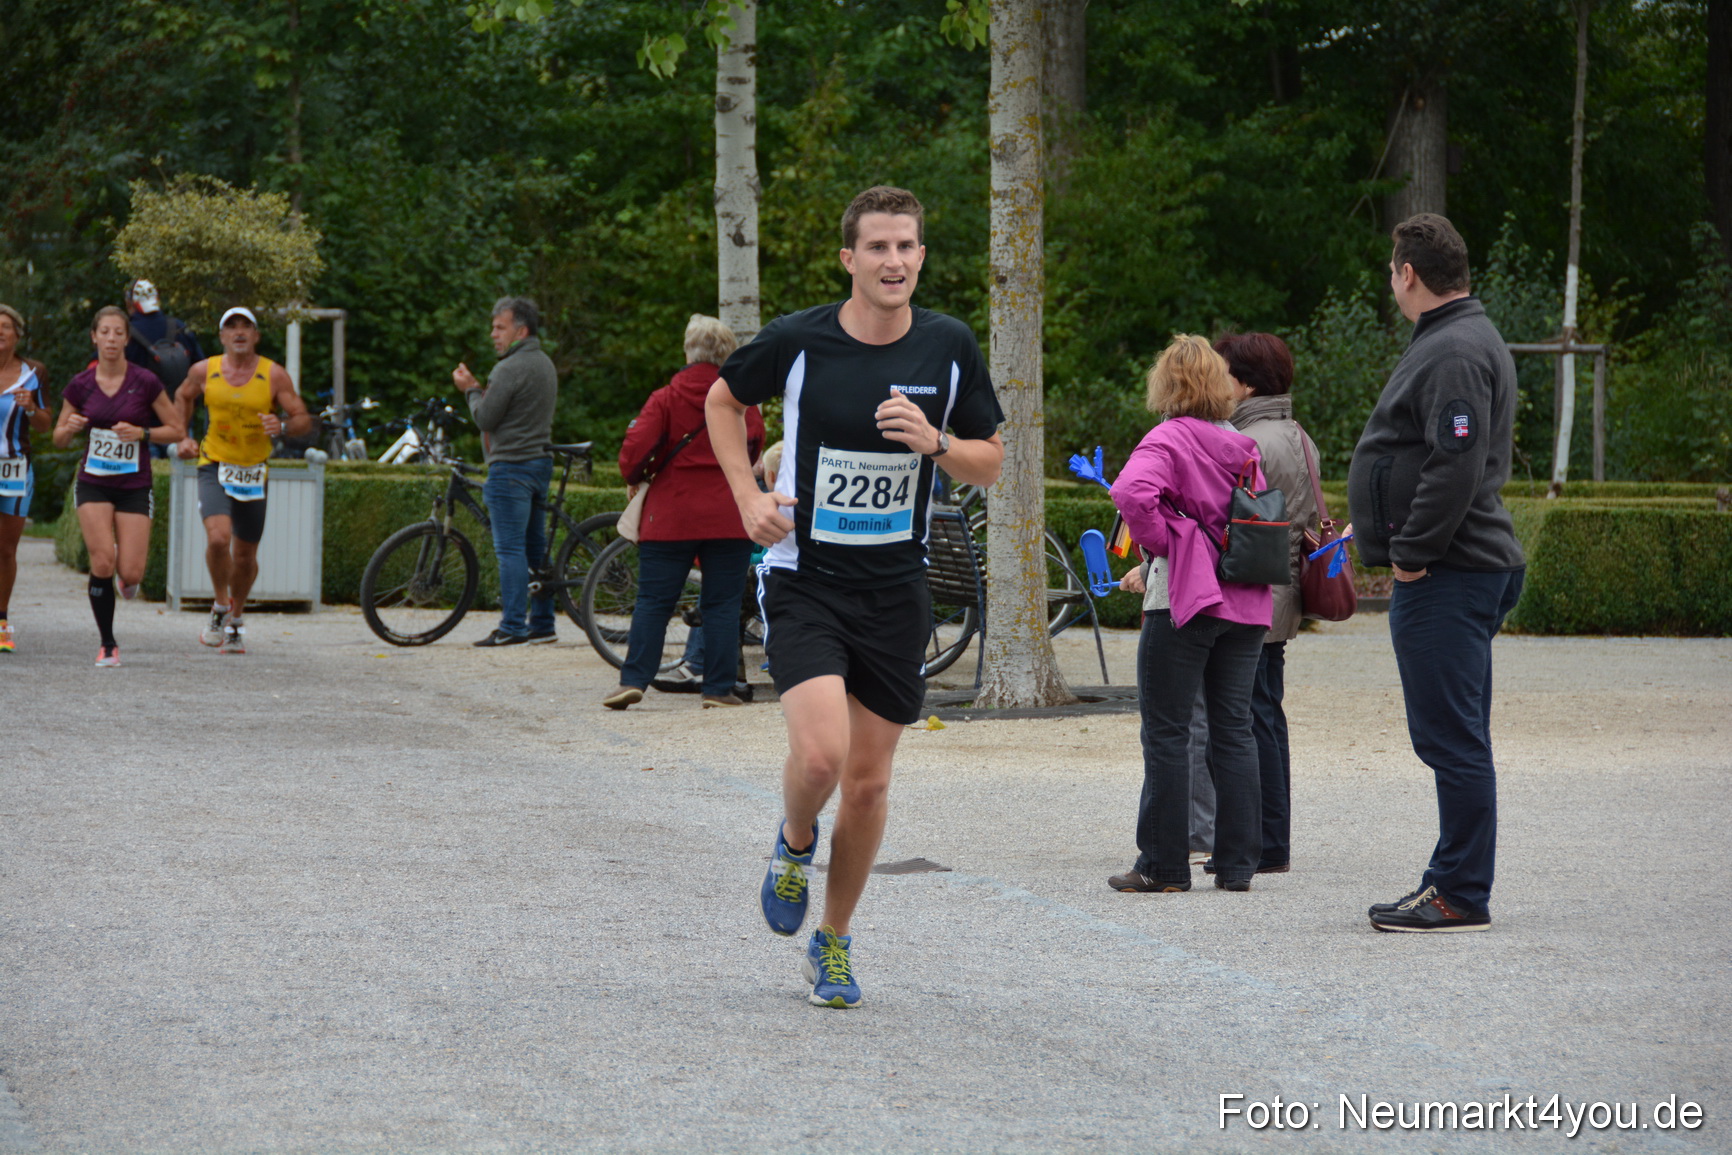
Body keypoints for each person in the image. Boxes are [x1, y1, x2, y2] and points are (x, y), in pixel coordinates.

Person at [706, 185, 1004, 1008]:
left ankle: (832, 941)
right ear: (850, 259)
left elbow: (992, 459)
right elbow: (722, 401)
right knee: (820, 756)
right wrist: (745, 497)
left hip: (896, 588)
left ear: (920, 255)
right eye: (878, 247)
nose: (894, 261)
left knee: (869, 784)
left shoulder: (948, 345)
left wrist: (940, 442)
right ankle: (794, 840)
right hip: (804, 576)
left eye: (906, 246)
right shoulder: (800, 340)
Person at [1349, 213, 1525, 933]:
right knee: (1457, 734)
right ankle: (1453, 879)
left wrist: (1412, 553)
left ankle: (1459, 891)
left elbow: (1453, 466)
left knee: (1451, 738)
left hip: (1449, 571)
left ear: (1408, 274)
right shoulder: (1456, 336)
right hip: (1458, 567)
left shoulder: (1452, 348)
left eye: (1392, 272)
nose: (1392, 282)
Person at [1106, 334, 1273, 896]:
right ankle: (1237, 865)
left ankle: (1163, 864)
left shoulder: (1168, 437)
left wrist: (1165, 545)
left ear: (1168, 384)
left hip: (1185, 599)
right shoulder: (1243, 445)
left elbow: (1130, 492)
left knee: (1168, 731)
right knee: (1234, 730)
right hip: (1247, 602)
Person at [603, 315, 764, 710]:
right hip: (729, 514)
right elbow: (755, 445)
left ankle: (634, 679)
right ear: (728, 354)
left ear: (688, 351)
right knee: (723, 604)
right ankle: (719, 688)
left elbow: (634, 453)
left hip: (671, 515)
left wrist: (638, 475)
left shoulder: (665, 398)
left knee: (654, 601)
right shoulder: (742, 399)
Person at [1216, 331, 1320, 875]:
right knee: (1266, 715)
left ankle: (1259, 843)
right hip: (1286, 588)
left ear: (1246, 381)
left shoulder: (1246, 440)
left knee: (1247, 717)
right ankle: (1272, 841)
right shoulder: (1299, 435)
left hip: (1253, 591)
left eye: (1224, 371)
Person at [174, 307, 312, 653]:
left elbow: (302, 419)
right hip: (214, 463)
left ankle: (236, 618)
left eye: (245, 327)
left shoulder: (274, 375)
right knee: (219, 539)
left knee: (246, 555)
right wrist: (182, 436)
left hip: (253, 470)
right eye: (231, 326)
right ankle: (221, 606)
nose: (238, 332)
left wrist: (281, 426)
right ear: (221, 337)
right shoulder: (204, 370)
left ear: (256, 336)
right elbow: (182, 396)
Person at [54, 307, 184, 666]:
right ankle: (108, 643)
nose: (111, 339)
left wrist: (143, 433)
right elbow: (59, 437)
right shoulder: (80, 385)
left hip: (133, 485)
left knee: (130, 573)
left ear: (127, 339)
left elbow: (176, 430)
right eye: (104, 332)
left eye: (117, 333)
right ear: (94, 337)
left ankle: (124, 574)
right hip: (94, 482)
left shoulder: (145, 381)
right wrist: (71, 427)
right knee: (102, 560)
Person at [452, 297, 558, 647]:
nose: (493, 334)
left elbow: (485, 418)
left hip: (510, 467)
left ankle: (513, 626)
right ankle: (542, 624)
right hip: (539, 463)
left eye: (500, 327)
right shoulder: (544, 363)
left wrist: (470, 389)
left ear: (520, 330)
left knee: (510, 550)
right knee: (535, 547)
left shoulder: (508, 369)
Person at [0, 304, 53, 655]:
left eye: (5, 327)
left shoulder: (33, 372)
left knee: (5, 549)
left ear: (18, 334)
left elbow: (46, 423)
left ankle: (1, 620)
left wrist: (32, 407)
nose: (0, 332)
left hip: (15, 467)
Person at [123, 279, 203, 427]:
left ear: (130, 303)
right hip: (180, 418)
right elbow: (201, 370)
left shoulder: (124, 333)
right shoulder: (180, 327)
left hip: (141, 423)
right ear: (157, 299)